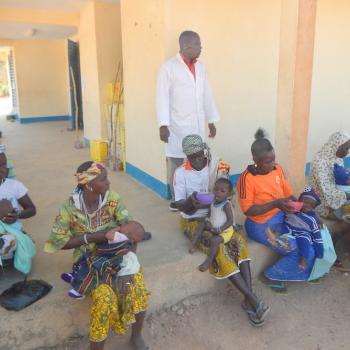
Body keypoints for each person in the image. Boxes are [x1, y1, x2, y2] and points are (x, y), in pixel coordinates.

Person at [44, 161, 149, 350]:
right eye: (103, 179)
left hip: (118, 256)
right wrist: (93, 237)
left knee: (136, 287)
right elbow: (58, 241)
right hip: (88, 263)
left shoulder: (113, 199)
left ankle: (137, 336)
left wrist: (128, 262)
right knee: (105, 299)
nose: (108, 182)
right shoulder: (69, 208)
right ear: (89, 184)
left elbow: (131, 230)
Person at [174, 134, 269, 327]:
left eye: (200, 155)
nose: (199, 160)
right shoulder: (180, 173)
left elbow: (225, 190)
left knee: (239, 242)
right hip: (194, 220)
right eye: (193, 157)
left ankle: (248, 300)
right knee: (221, 251)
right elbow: (179, 205)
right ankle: (253, 300)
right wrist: (188, 204)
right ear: (187, 157)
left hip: (220, 218)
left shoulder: (217, 165)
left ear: (205, 150)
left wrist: (222, 210)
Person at [237, 129, 326, 292]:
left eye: (273, 160)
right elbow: (248, 210)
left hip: (281, 217)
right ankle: (270, 275)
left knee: (309, 239)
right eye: (267, 162)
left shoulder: (277, 170)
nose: (271, 165)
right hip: (261, 225)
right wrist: (276, 204)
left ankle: (306, 271)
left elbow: (289, 196)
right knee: (296, 247)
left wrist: (310, 216)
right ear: (255, 159)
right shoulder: (246, 178)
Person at [156, 30, 220, 211]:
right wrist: (163, 124)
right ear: (187, 46)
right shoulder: (168, 67)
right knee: (177, 162)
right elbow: (162, 97)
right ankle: (178, 200)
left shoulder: (200, 68)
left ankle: (197, 195)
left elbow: (207, 94)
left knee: (198, 159)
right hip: (177, 124)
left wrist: (211, 120)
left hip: (197, 123)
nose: (201, 48)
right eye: (198, 44)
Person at [61, 221, 145, 300]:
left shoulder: (121, 236)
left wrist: (116, 228)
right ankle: (75, 278)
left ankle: (79, 291)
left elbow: (108, 235)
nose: (122, 224)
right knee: (87, 264)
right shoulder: (128, 242)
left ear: (127, 233)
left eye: (125, 225)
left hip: (103, 259)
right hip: (108, 259)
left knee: (89, 267)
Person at [309, 131, 350, 271]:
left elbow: (340, 182)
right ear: (335, 145)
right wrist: (347, 196)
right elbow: (327, 194)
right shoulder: (320, 163)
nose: (347, 151)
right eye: (345, 148)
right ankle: (334, 254)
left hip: (339, 200)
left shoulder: (336, 157)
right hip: (326, 206)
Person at [266, 187, 324, 271]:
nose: (307, 206)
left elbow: (317, 237)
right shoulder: (293, 209)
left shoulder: (312, 220)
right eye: (305, 202)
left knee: (305, 240)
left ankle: (303, 259)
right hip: (288, 228)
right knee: (279, 223)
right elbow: (285, 208)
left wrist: (320, 254)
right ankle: (272, 234)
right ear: (299, 200)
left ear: (313, 208)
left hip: (302, 233)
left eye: (311, 206)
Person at [189, 178, 238, 273]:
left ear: (228, 194)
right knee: (202, 224)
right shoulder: (214, 200)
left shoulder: (226, 205)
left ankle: (208, 261)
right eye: (216, 189)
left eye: (222, 191)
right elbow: (210, 209)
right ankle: (193, 244)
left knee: (215, 240)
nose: (218, 192)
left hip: (224, 231)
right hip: (212, 226)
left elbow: (230, 221)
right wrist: (202, 211)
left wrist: (220, 229)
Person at [0, 146, 36, 272]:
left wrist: (18, 215)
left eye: (3, 164)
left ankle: (8, 254)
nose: (1, 169)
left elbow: (31, 209)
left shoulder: (14, 186)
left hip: (11, 232)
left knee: (10, 241)